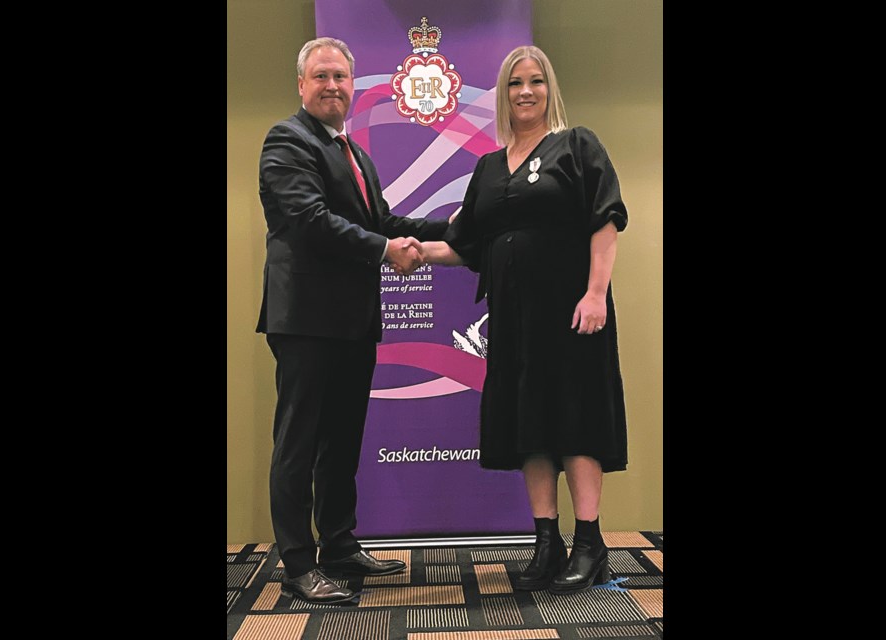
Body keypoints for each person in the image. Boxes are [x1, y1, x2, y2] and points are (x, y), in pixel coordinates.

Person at [420, 45, 629, 595]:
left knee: (576, 419)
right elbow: (464, 245)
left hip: (571, 312)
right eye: (516, 83)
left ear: (549, 89)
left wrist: (596, 293)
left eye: (536, 81)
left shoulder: (577, 144)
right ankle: (547, 542)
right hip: (512, 318)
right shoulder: (488, 168)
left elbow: (605, 218)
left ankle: (590, 543)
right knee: (529, 424)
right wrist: (410, 250)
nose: (526, 91)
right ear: (503, 94)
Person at [256, 37, 450, 604]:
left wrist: (456, 229)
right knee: (298, 443)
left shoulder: (354, 152)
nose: (332, 86)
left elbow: (383, 220)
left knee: (342, 440)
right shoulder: (285, 141)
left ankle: (339, 545)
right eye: (321, 76)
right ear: (301, 84)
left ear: (353, 85)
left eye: (341, 76)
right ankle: (297, 563)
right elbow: (309, 220)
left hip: (353, 322)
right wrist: (383, 251)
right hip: (307, 323)